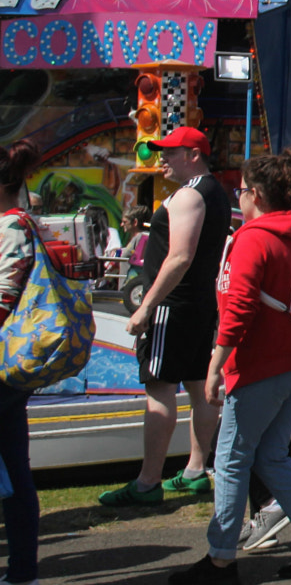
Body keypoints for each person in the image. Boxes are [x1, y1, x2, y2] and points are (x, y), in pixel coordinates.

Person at [170, 149, 291, 585]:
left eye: (243, 189)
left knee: (230, 459)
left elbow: (238, 308)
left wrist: (215, 365)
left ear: (260, 195)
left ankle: (221, 560)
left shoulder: (253, 238)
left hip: (263, 362)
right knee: (270, 455)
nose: (239, 196)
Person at [100, 126, 233, 507]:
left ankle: (148, 481)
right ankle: (194, 470)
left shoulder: (191, 194)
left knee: (159, 388)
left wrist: (146, 307)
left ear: (193, 154)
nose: (161, 160)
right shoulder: (213, 193)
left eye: (170, 153)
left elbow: (179, 256)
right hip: (197, 304)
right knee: (197, 386)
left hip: (174, 307)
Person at [0, 141, 47, 585]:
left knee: (14, 470)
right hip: (10, 368)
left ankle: (21, 575)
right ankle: (21, 576)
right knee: (14, 468)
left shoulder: (11, 227)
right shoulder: (21, 223)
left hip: (3, 366)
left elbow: (3, 297)